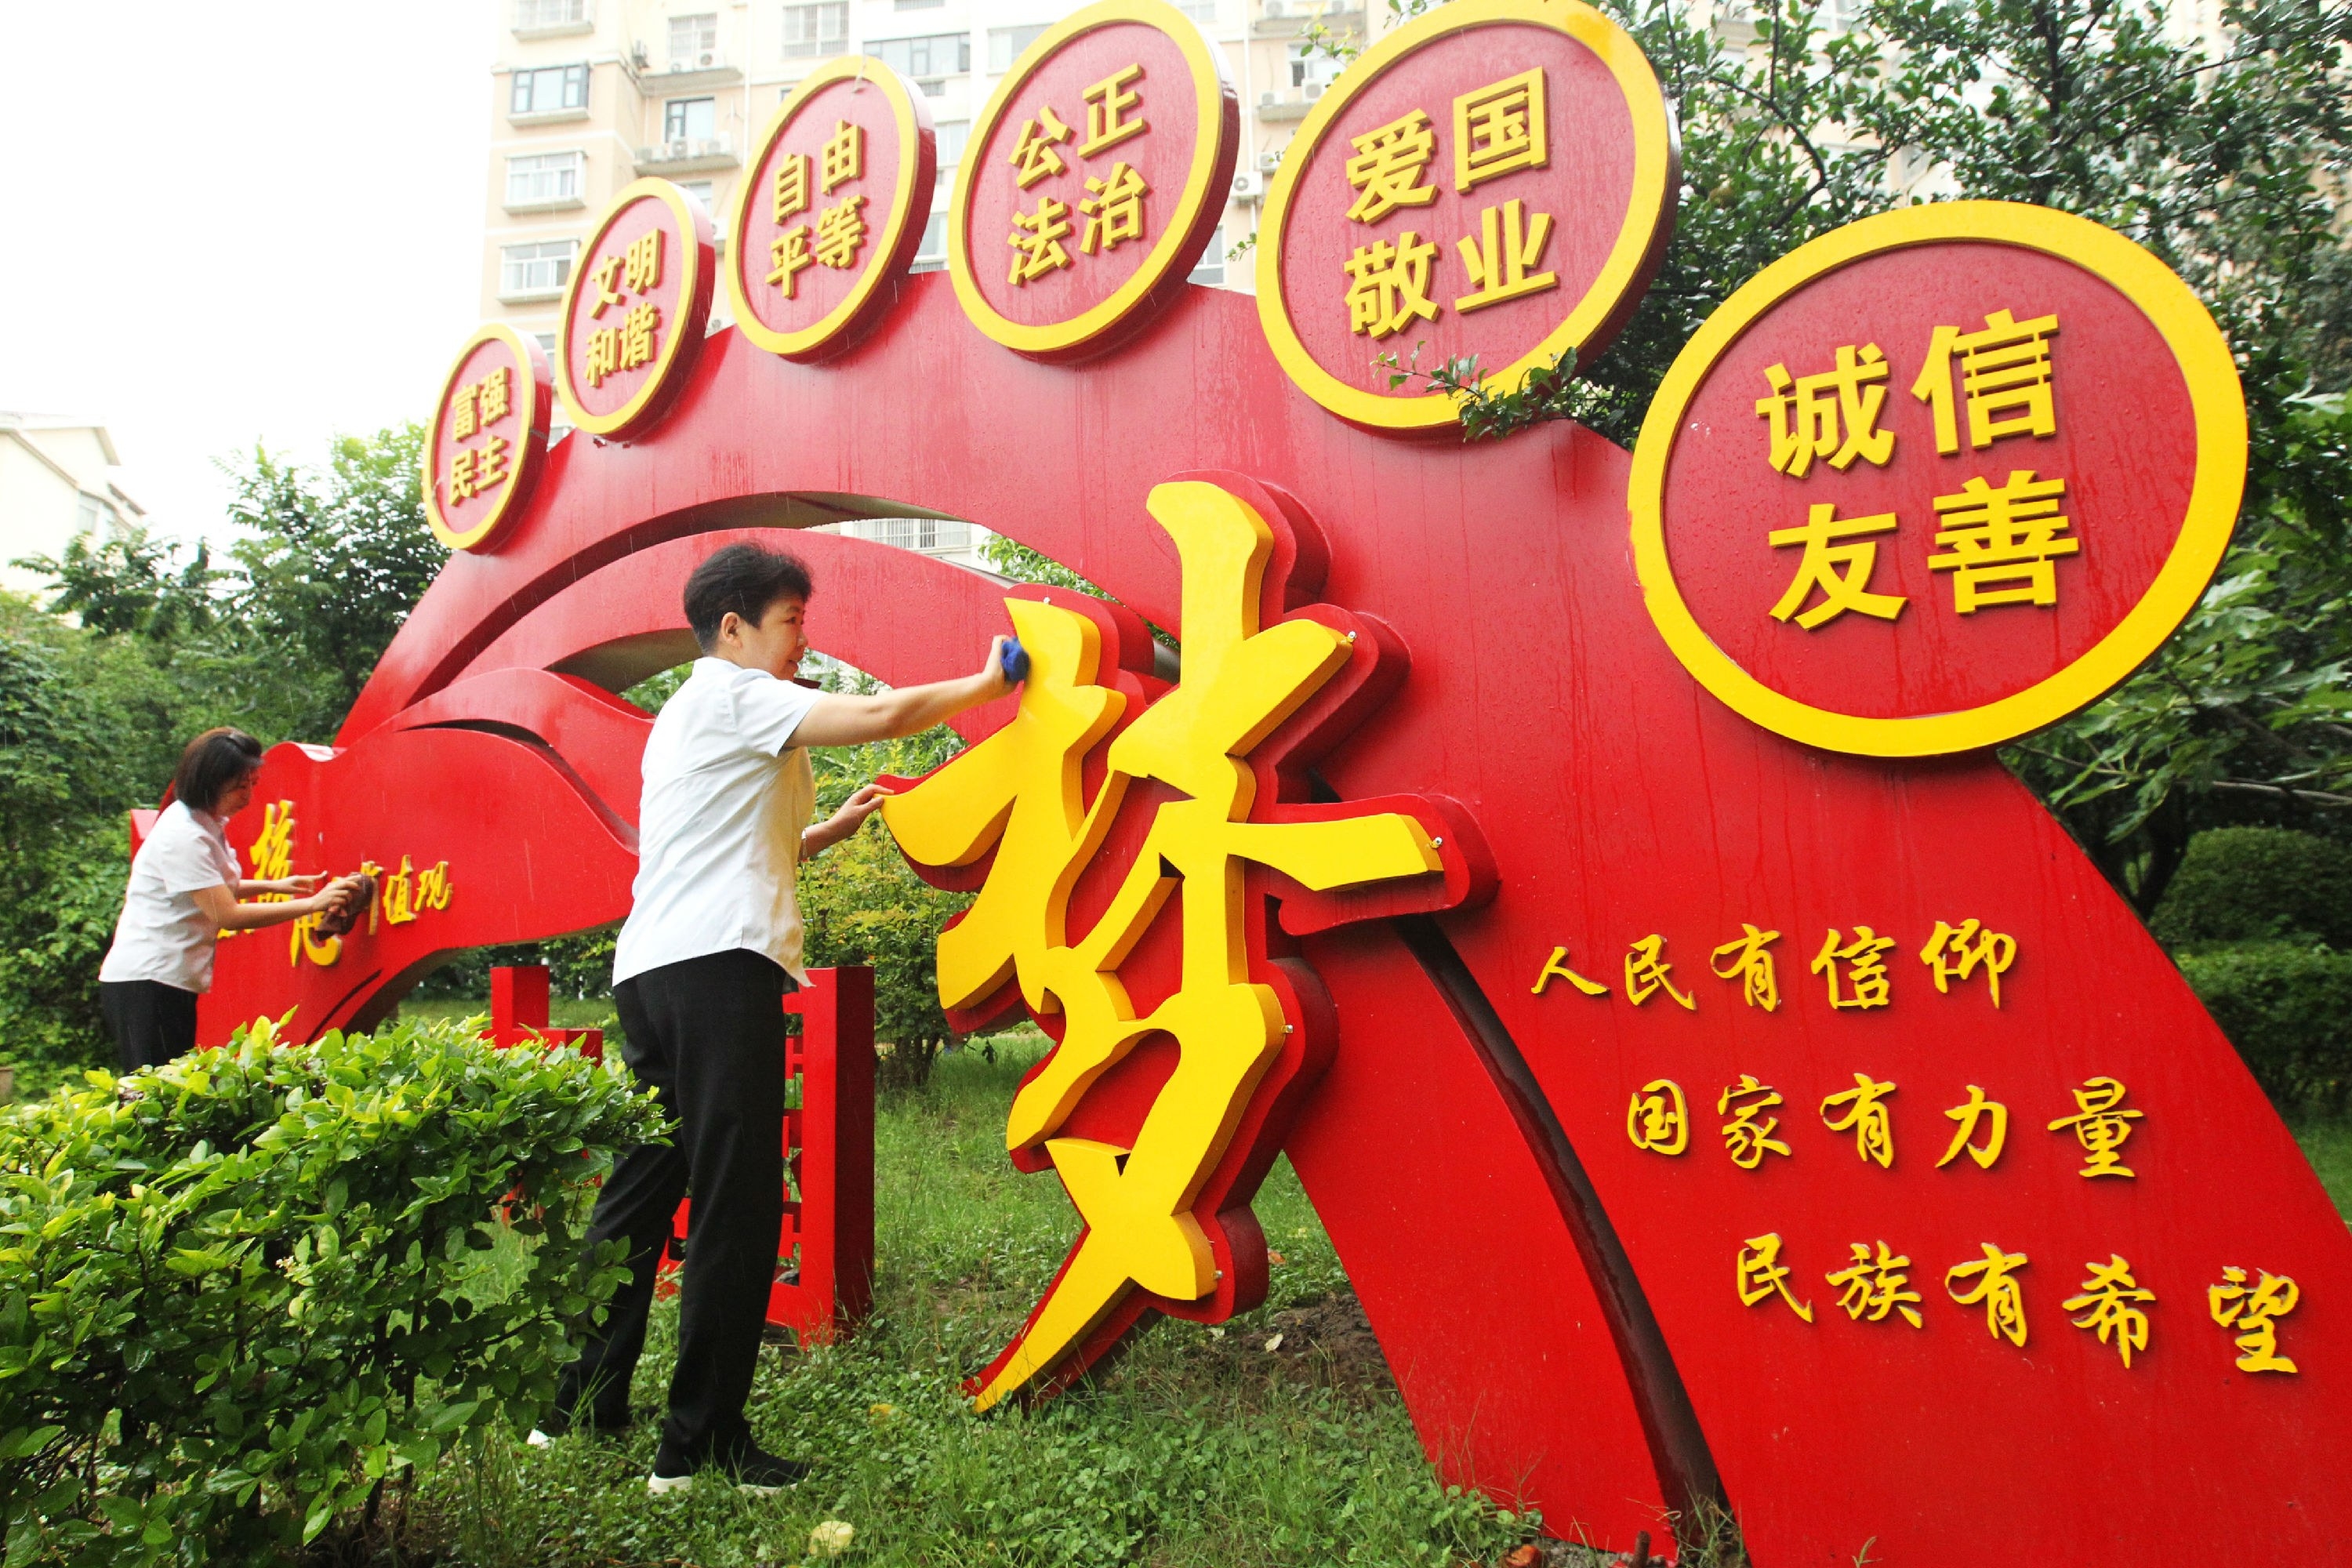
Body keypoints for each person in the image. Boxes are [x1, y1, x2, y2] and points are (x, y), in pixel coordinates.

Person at [537, 543, 1015, 1496]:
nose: (803, 638)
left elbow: (740, 839)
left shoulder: (694, 712)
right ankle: (698, 1442)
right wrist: (987, 683)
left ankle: (581, 1403)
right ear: (734, 626)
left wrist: (832, 828)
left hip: (655, 970)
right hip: (719, 970)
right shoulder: (734, 692)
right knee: (737, 1199)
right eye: (792, 620)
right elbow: (880, 715)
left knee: (642, 1187)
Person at [97, 728, 359, 1071]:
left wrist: (278, 886)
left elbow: (212, 886)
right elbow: (227, 915)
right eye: (239, 786)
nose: (248, 796)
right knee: (153, 1088)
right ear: (209, 783)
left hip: (166, 979)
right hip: (147, 981)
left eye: (253, 784)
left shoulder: (202, 821)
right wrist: (313, 904)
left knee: (170, 1082)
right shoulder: (184, 836)